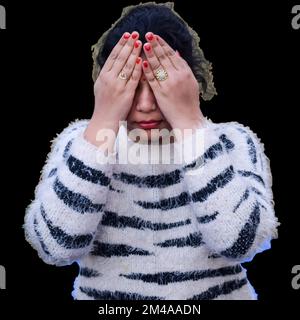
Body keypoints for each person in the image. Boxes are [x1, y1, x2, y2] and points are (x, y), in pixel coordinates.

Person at [23, 2, 279, 300]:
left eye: (160, 83)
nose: (145, 105)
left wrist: (189, 123)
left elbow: (241, 243)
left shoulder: (233, 141)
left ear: (187, 80)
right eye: (130, 85)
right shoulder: (81, 143)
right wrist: (103, 121)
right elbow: (55, 247)